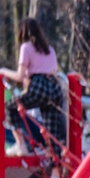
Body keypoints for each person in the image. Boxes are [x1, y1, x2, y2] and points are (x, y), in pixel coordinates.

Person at [8, 18, 67, 151]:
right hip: (54, 87)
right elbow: (53, 70)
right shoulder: (49, 49)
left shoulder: (26, 47)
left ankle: (20, 144)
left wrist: (3, 71)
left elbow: (20, 76)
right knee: (52, 132)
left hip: (39, 85)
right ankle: (55, 158)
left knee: (11, 107)